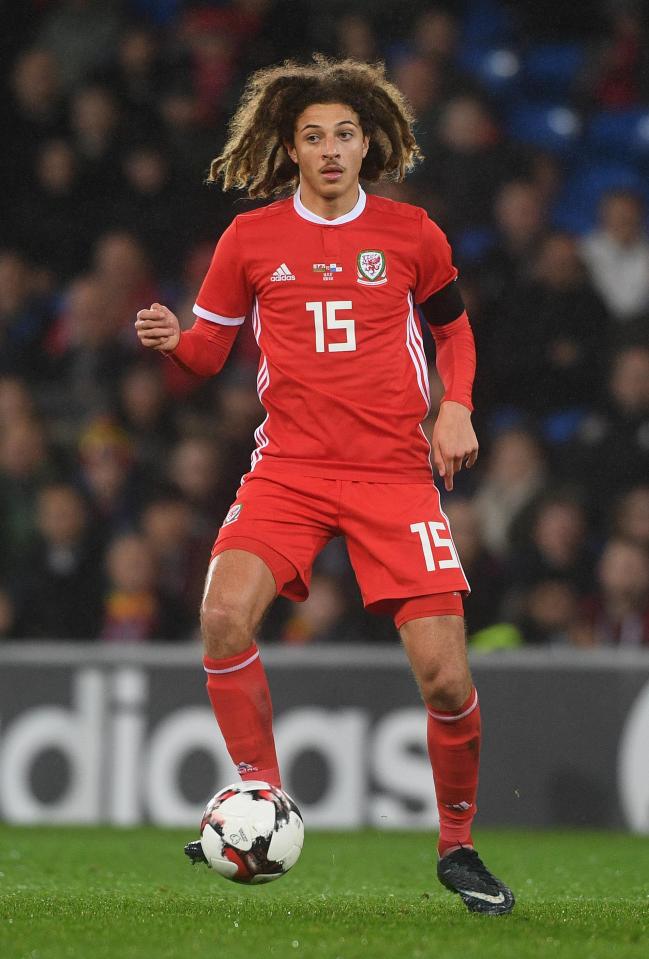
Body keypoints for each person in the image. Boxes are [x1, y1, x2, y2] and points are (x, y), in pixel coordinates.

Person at [135, 56, 514, 915]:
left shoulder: (412, 234)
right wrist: (171, 339)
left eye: (345, 133)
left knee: (448, 682)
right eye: (314, 136)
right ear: (291, 149)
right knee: (221, 614)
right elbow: (206, 355)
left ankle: (457, 845)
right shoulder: (251, 240)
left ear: (368, 141)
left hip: (392, 474)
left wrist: (454, 409)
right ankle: (260, 795)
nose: (332, 148)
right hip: (292, 470)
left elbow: (454, 334)